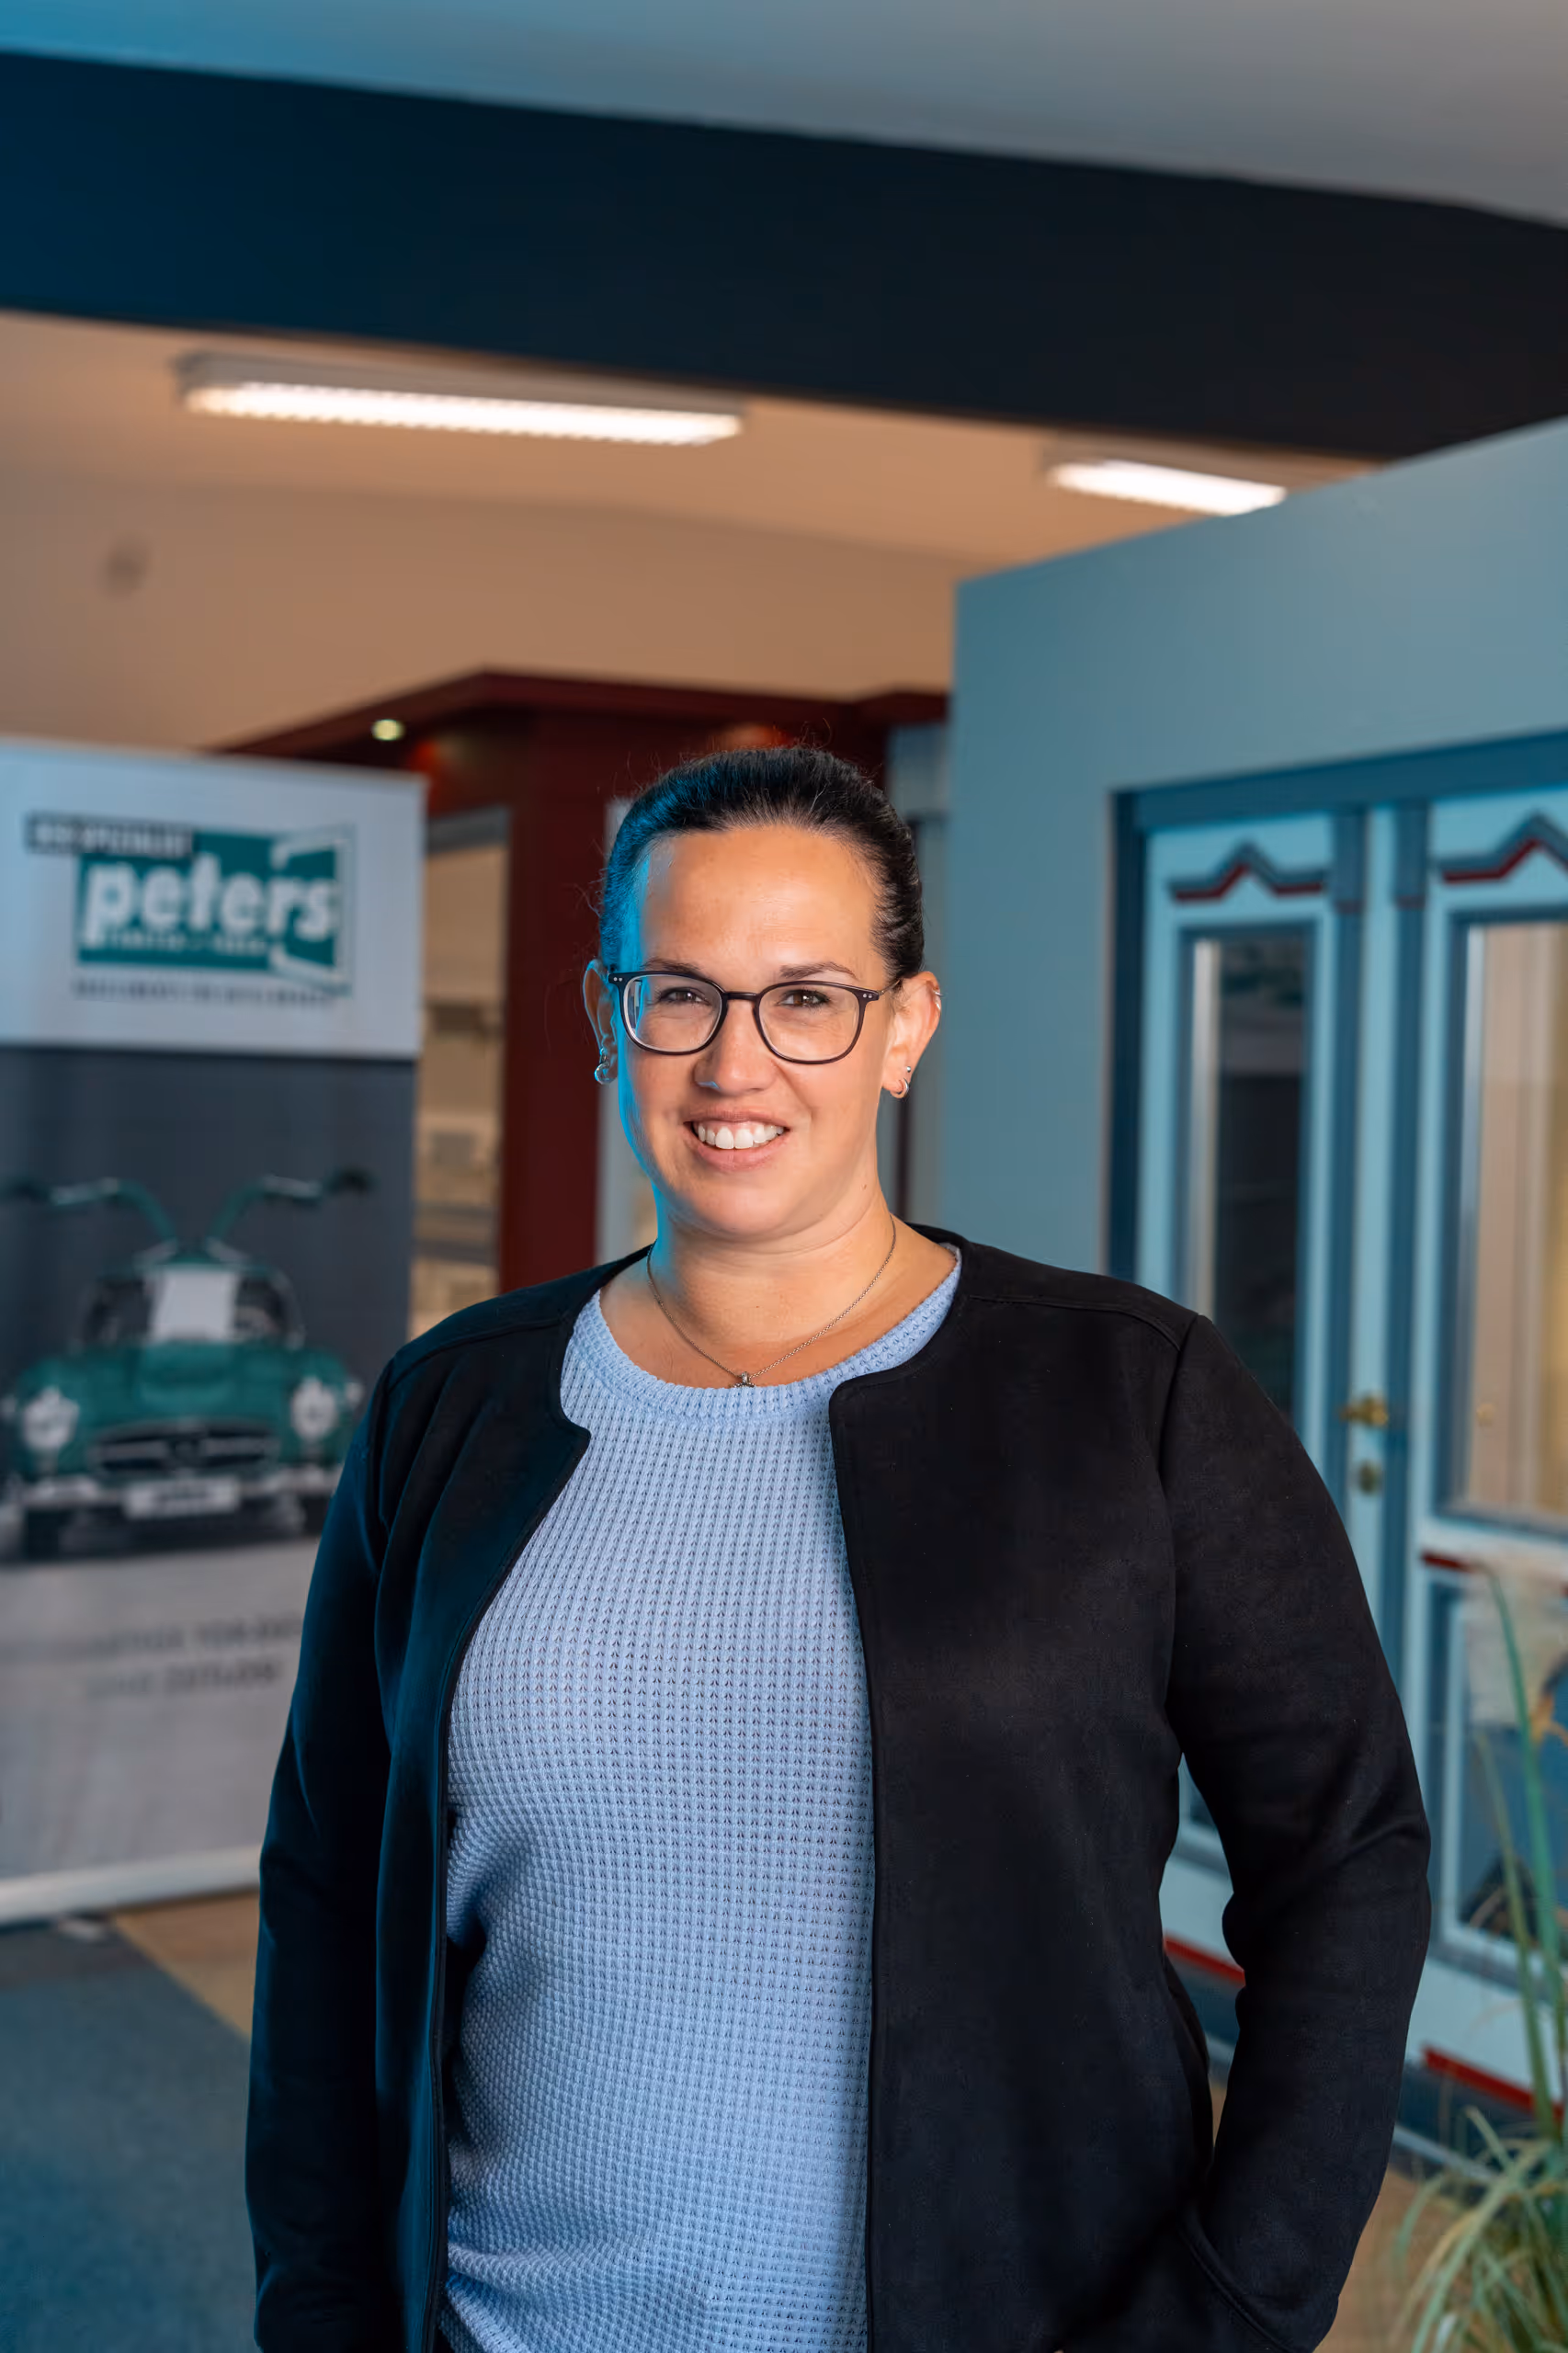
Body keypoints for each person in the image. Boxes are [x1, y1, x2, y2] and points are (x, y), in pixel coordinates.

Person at [246, 746, 1430, 2353]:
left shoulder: (1129, 1395)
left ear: (903, 1030)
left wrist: (1231, 2309)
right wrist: (319, 2307)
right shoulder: (448, 1411)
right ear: (606, 1023)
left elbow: (1345, 1859)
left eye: (806, 997)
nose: (737, 1062)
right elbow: (325, 1896)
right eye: (680, 994)